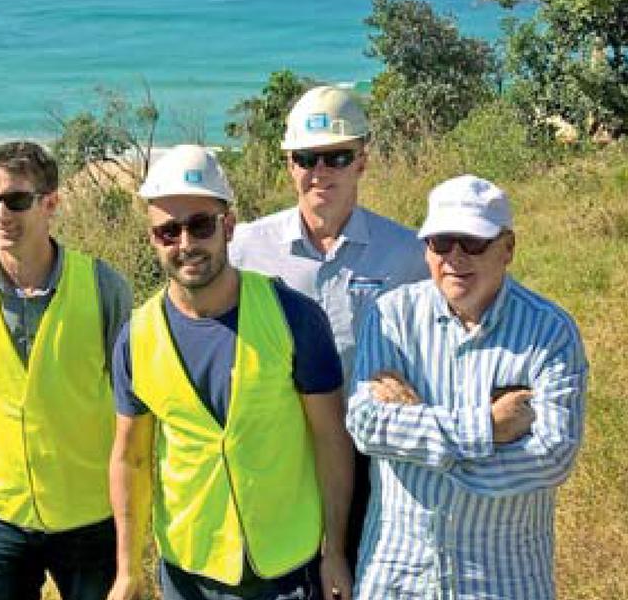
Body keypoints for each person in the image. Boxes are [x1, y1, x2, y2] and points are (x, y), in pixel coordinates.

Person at [108, 145, 355, 600]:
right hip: (189, 569)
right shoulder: (137, 336)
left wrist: (334, 551)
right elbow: (131, 457)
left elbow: (330, 439)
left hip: (287, 566)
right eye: (167, 232)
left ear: (228, 225)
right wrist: (127, 568)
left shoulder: (294, 317)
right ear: (152, 240)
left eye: (200, 225)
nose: (186, 244)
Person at [347, 175, 588, 600]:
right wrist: (487, 429)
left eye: (473, 242)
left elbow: (552, 456)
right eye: (441, 243)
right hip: (398, 576)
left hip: (502, 579)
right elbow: (366, 424)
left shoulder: (550, 332)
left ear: (508, 247)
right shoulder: (391, 317)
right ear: (426, 250)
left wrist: (422, 444)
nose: (455, 257)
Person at [229, 85, 428, 562]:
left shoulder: (407, 253)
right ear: (289, 164)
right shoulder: (245, 249)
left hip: (373, 456)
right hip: (280, 451)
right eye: (306, 158)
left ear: (362, 160)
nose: (320, 173)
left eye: (336, 158)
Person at [0, 141, 133, 600]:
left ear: (51, 203)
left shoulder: (102, 286)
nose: (0, 214)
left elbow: (133, 401)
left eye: (16, 200)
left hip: (89, 513)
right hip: (1, 514)